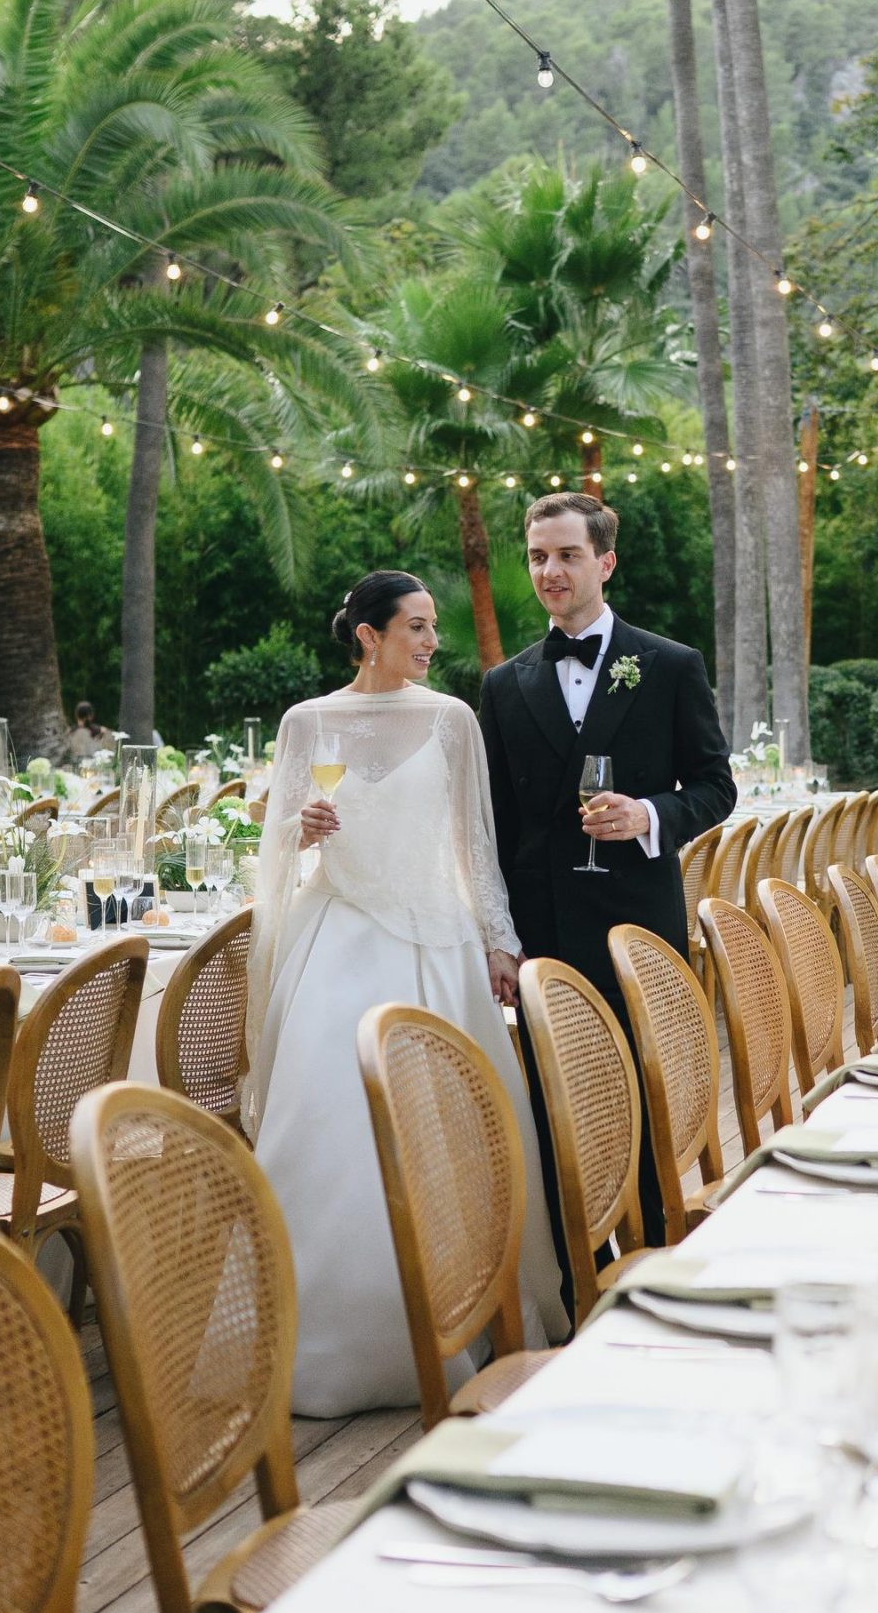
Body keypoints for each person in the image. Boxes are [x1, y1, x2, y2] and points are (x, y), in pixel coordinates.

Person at [246, 571, 569, 1416]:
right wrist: (300, 827)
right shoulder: (308, 723)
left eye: (432, 629)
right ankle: (323, 1342)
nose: (432, 643)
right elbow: (278, 832)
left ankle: (461, 1318)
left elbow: (474, 842)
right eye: (417, 628)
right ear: (368, 635)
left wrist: (499, 939)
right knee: (322, 1128)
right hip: (338, 939)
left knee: (453, 1132)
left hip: (437, 946)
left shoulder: (451, 719)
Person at [478, 493, 736, 1257]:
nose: (550, 571)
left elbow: (715, 787)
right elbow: (492, 822)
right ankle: (574, 1279)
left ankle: (659, 1258)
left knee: (643, 1094)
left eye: (566, 555)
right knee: (558, 1106)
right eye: (537, 557)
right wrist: (498, 935)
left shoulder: (668, 666)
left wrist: (648, 817)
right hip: (543, 932)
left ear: (605, 562)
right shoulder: (503, 685)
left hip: (635, 925)